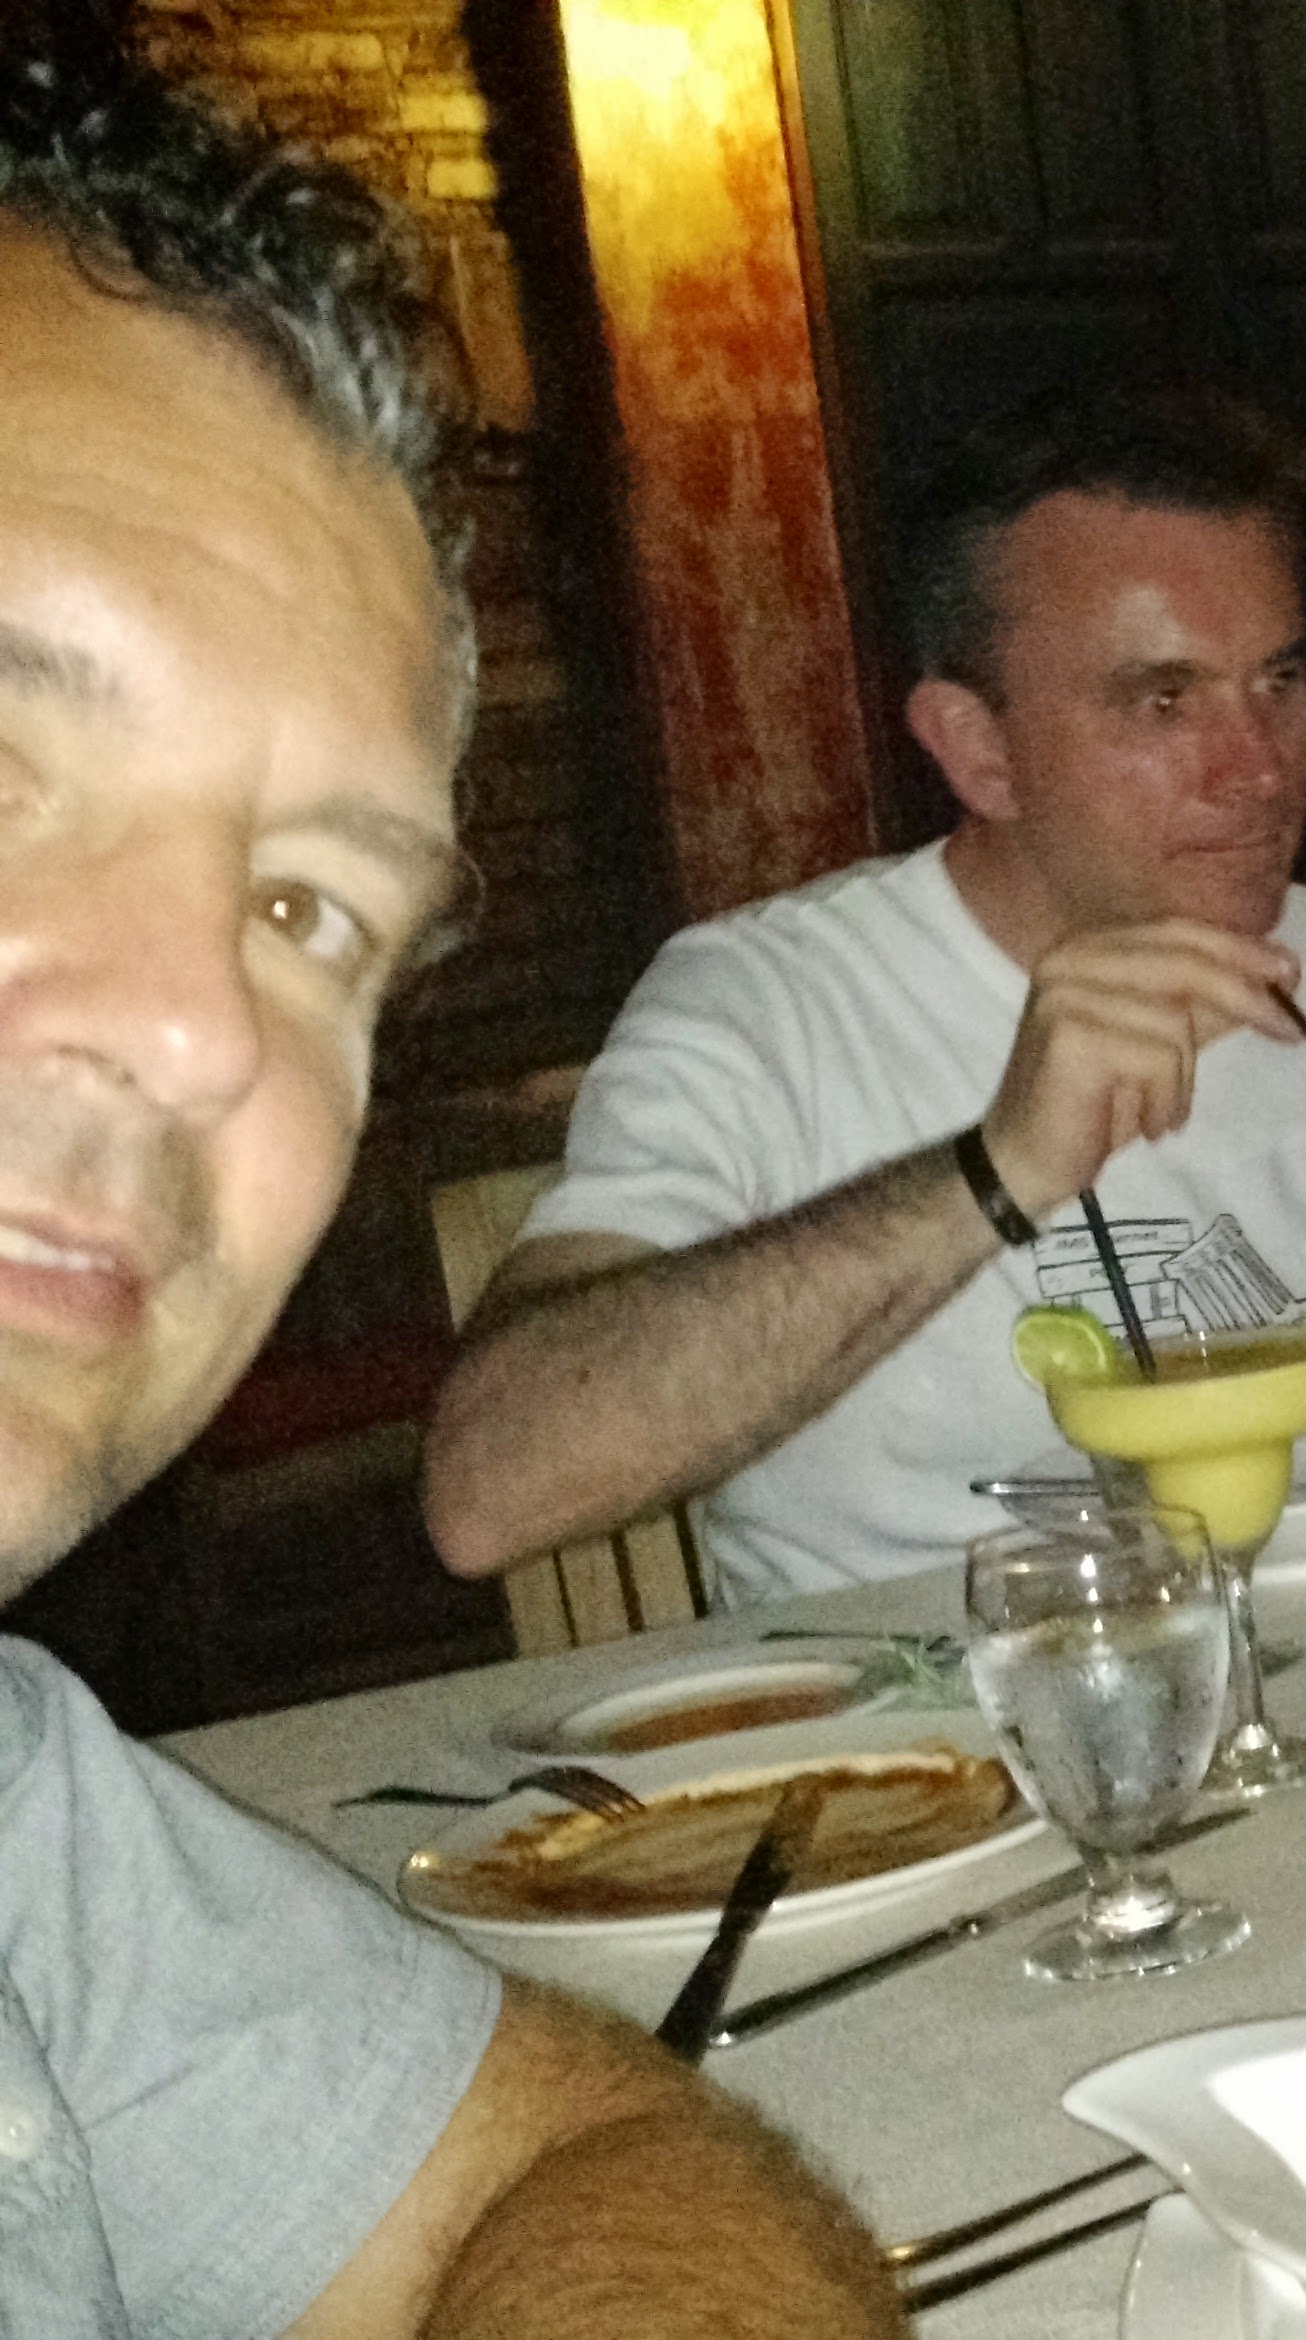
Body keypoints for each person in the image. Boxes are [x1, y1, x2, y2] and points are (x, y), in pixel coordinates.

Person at [0, 53, 894, 2334]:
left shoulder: (23, 1828)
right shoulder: (765, 993)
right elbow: (499, 1478)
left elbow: (590, 2157)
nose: (200, 1027)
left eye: (307, 910)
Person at [425, 382, 1306, 1603]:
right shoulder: (762, 1004)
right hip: (926, 1707)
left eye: (1278, 681)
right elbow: (485, 1490)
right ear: (976, 749)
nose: (1257, 768)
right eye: (1162, 700)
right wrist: (996, 1173)